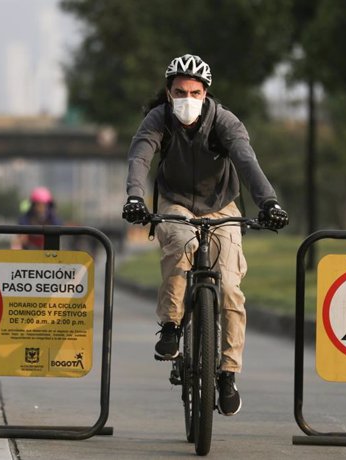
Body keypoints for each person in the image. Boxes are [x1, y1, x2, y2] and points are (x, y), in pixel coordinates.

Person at [122, 54, 289, 416]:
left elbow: (246, 161)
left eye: (195, 92)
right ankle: (170, 326)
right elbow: (140, 157)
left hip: (223, 206)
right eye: (180, 91)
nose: (187, 99)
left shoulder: (224, 121)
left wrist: (269, 203)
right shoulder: (158, 119)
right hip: (175, 202)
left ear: (206, 93)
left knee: (229, 286)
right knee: (181, 246)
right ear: (168, 92)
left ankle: (228, 374)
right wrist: (135, 196)